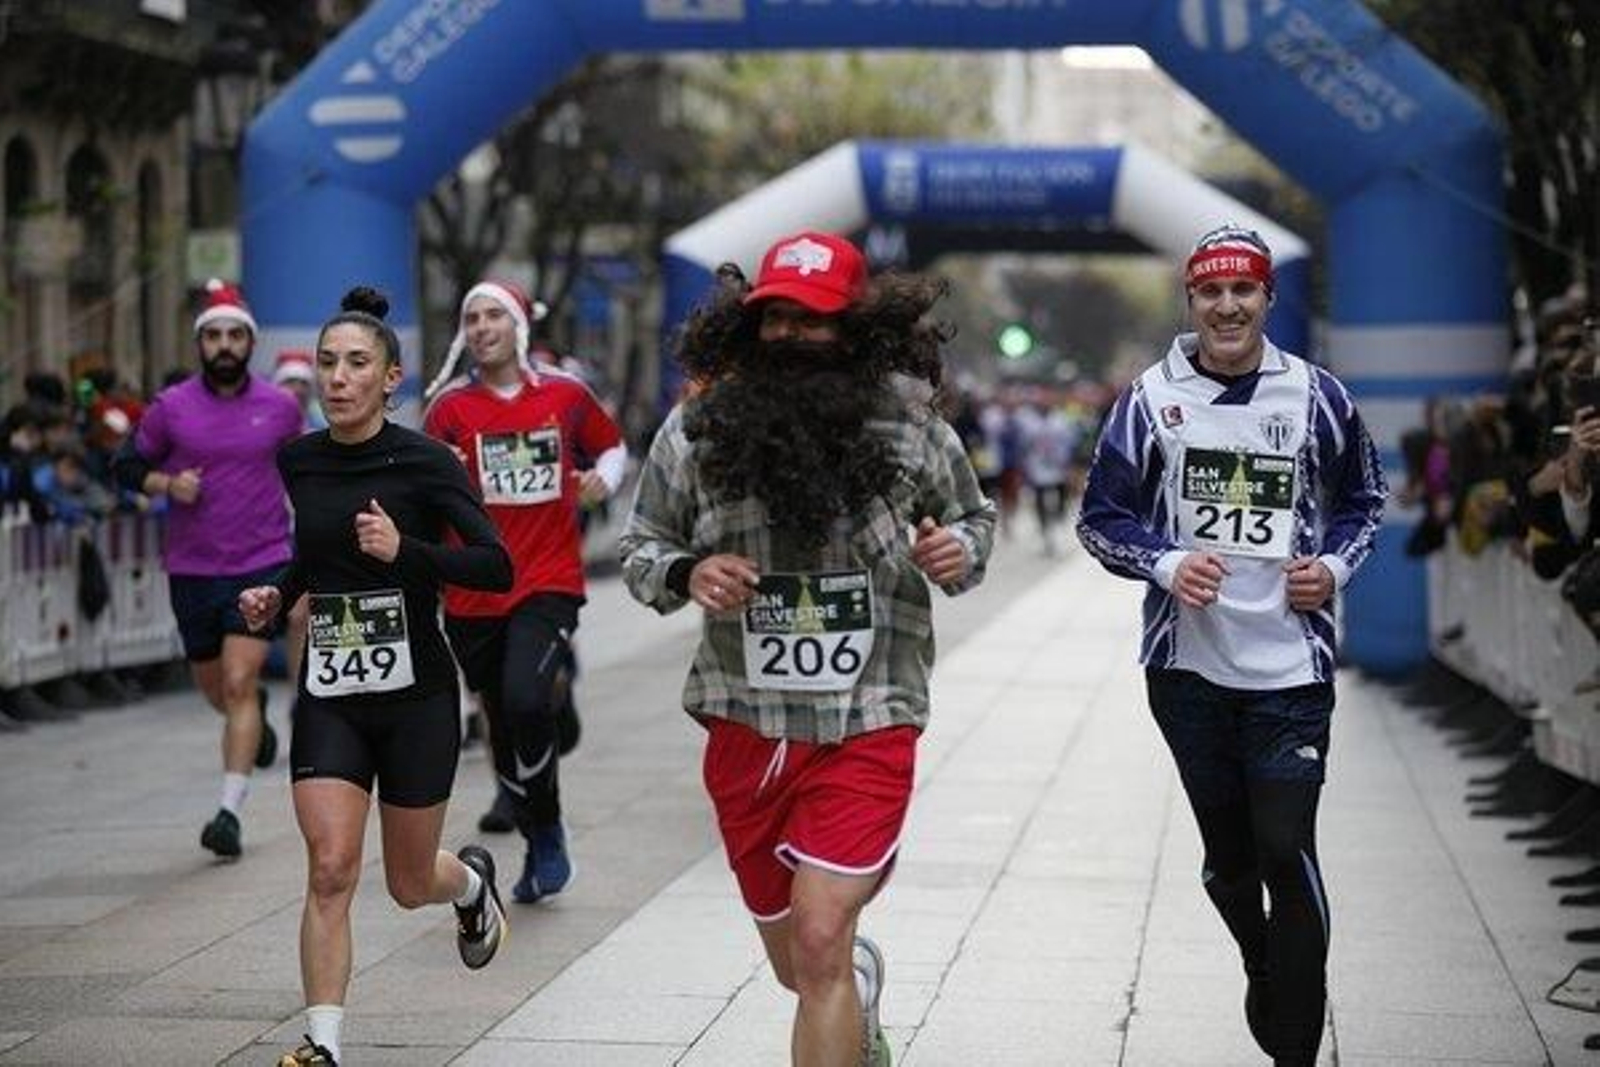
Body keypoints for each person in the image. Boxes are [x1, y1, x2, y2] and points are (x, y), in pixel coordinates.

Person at [620, 231, 995, 1067]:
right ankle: (855, 998)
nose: (790, 336)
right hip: (746, 721)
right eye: (775, 317)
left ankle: (842, 980)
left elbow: (973, 520)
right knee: (800, 965)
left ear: (855, 330)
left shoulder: (911, 424)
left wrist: (956, 551)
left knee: (821, 935)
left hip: (871, 713)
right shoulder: (697, 429)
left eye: (813, 319)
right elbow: (641, 545)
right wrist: (689, 570)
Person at [1076, 224, 1386, 1066]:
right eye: (1210, 292)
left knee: (1285, 846)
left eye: (1242, 290)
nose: (1226, 305)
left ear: (1267, 300)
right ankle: (1264, 957)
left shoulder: (1318, 395)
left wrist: (1331, 566)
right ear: (1191, 302)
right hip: (1189, 671)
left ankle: (1296, 1032)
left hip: (1292, 668)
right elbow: (1100, 520)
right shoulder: (1150, 399)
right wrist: (1169, 562)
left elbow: (1366, 499)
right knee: (1229, 859)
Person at [236, 287, 513, 1067]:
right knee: (329, 867)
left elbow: (495, 565)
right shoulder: (300, 460)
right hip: (330, 690)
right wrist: (280, 593)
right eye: (327, 362)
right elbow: (319, 556)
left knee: (408, 879)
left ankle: (468, 887)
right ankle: (322, 1043)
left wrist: (408, 553)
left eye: (357, 363)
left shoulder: (427, 461)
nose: (338, 377)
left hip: (417, 695)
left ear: (392, 377)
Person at [423, 279, 626, 902]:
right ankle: (540, 827)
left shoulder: (564, 395)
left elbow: (612, 444)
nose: (483, 327)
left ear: (518, 327)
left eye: (494, 316)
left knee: (523, 698)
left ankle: (547, 835)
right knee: (504, 721)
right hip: (473, 590)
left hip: (546, 579)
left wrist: (603, 481)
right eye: (473, 318)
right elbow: (421, 493)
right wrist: (443, 477)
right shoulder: (449, 410)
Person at [111, 279, 303, 859]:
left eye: (235, 335)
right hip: (192, 567)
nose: (224, 345)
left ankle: (228, 812)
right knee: (218, 690)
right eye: (214, 335)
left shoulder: (281, 407)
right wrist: (168, 483)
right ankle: (255, 724)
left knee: (242, 680)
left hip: (261, 561)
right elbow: (124, 466)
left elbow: (310, 471)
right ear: (201, 344)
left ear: (250, 342)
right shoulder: (171, 408)